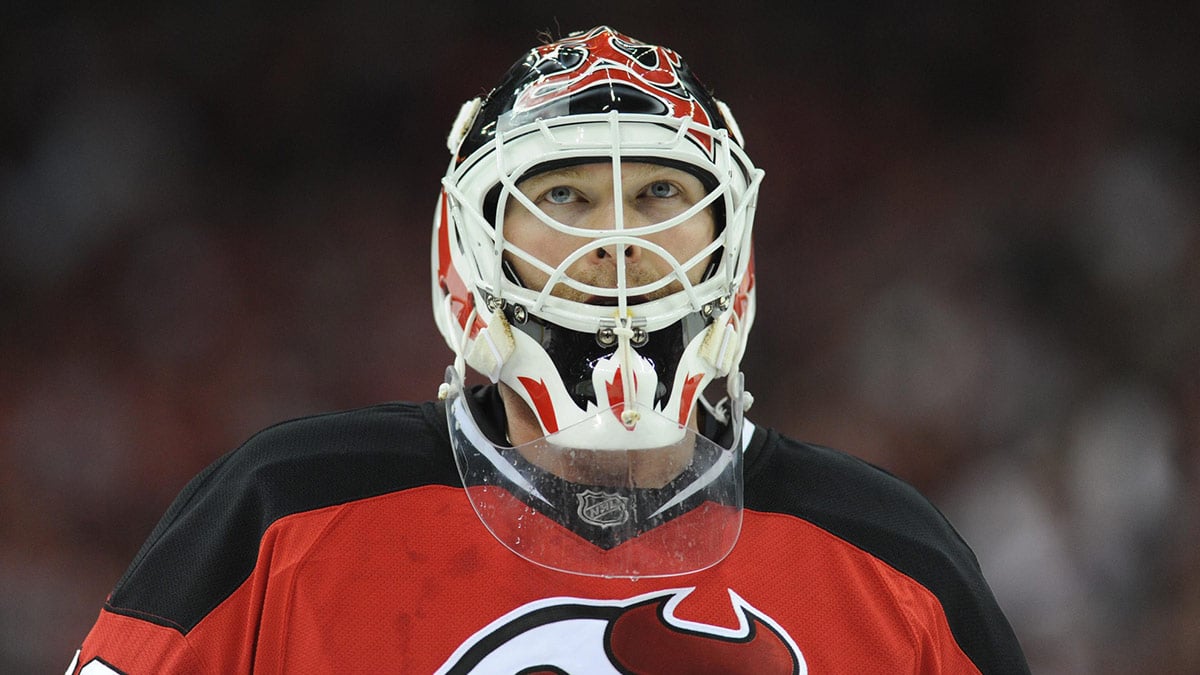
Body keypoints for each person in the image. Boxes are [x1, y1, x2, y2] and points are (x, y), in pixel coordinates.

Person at [68, 26, 1029, 673]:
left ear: (728, 239)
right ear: (472, 244)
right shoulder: (280, 514)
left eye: (661, 193)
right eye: (564, 195)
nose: (617, 236)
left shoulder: (894, 561)